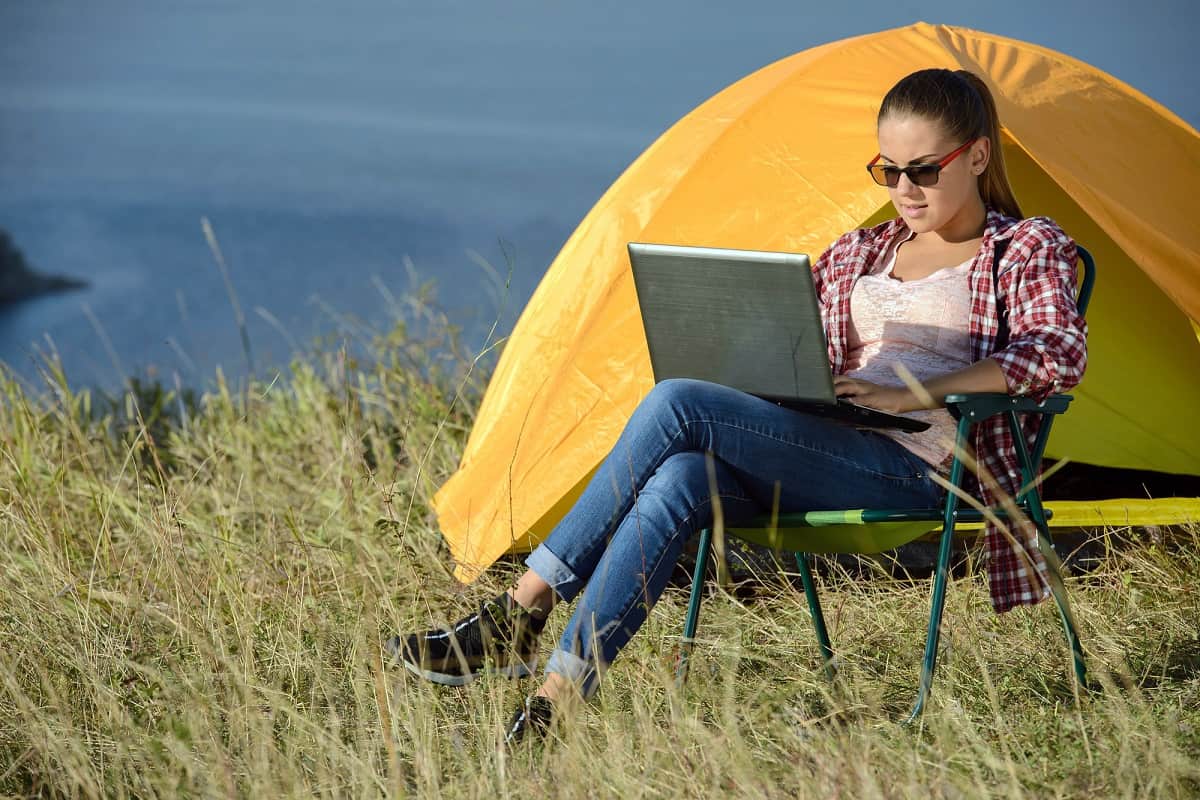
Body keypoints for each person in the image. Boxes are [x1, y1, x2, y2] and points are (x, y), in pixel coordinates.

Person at [386, 68, 1088, 743]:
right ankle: (559, 695)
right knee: (682, 476)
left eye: (924, 170)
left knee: (677, 403)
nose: (904, 188)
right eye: (889, 170)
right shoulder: (862, 252)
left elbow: (1057, 355)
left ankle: (519, 610)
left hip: (923, 464)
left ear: (979, 156)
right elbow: (786, 338)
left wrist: (913, 390)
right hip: (828, 441)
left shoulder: (1023, 249)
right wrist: (755, 352)